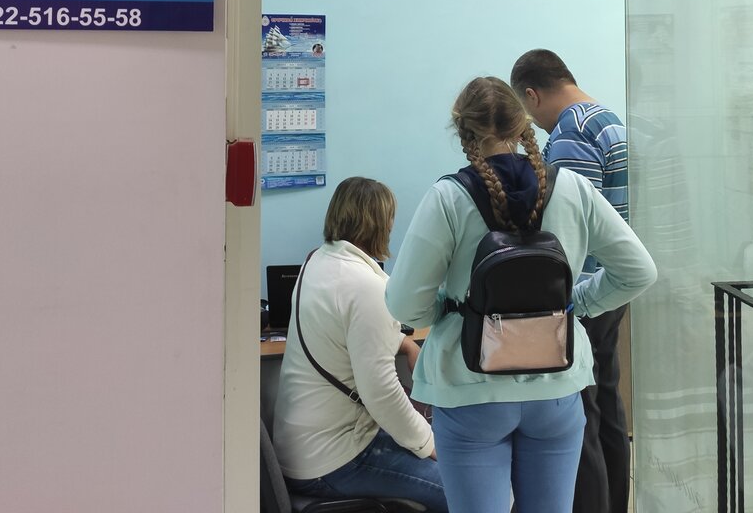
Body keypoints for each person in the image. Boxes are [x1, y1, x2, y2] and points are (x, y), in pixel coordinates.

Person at [386, 76, 656, 513]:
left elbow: (404, 305)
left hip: (470, 389)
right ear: (522, 124)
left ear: (462, 130)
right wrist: (579, 304)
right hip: (556, 385)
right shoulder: (571, 187)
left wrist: (450, 311)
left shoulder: (448, 198)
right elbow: (639, 271)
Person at [273, 177, 447, 512]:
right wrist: (429, 444)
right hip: (332, 460)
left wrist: (405, 344)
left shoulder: (316, 263)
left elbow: (344, 332)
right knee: (458, 488)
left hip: (300, 448)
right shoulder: (366, 287)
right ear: (380, 224)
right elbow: (382, 394)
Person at [510, 48, 631, 513]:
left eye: (527, 112)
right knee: (609, 409)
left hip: (583, 294)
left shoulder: (571, 135)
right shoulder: (607, 120)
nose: (533, 125)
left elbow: (567, 234)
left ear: (532, 95)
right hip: (611, 286)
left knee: (580, 418)